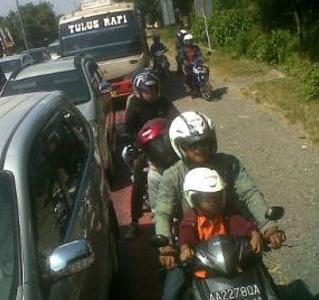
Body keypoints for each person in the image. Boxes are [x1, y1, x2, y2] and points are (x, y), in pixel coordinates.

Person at [155, 111, 286, 300]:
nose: (199, 148)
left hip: (236, 241)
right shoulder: (171, 176)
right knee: (170, 295)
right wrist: (167, 247)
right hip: (193, 248)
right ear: (179, 146)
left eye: (204, 141)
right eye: (191, 144)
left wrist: (268, 228)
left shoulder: (229, 164)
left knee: (269, 289)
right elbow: (163, 213)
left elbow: (249, 193)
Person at [122, 69, 178, 239]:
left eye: (153, 90)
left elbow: (177, 118)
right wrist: (131, 144)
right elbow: (127, 130)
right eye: (147, 91)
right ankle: (134, 221)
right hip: (145, 148)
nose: (151, 94)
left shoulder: (164, 102)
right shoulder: (135, 106)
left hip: (167, 144)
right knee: (139, 176)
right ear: (139, 91)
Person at [178, 167, 263, 275]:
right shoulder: (191, 219)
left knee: (259, 272)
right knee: (174, 286)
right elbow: (186, 234)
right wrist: (185, 248)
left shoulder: (227, 214)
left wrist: (254, 234)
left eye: (217, 197)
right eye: (207, 198)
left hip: (232, 265)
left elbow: (240, 224)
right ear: (193, 198)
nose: (214, 202)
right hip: (204, 271)